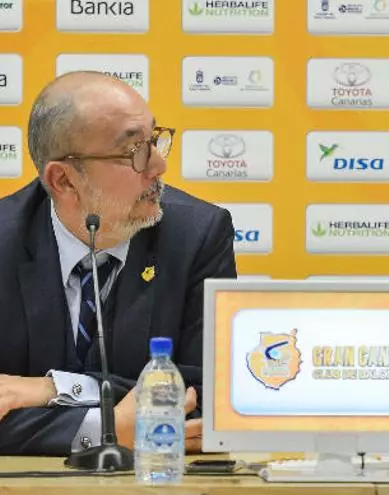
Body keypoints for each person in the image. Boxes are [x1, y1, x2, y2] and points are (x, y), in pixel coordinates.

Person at [0, 71, 237, 455]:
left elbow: (208, 396)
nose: (158, 164)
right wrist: (107, 429)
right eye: (133, 151)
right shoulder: (5, 240)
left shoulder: (197, 236)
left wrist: (54, 388)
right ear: (63, 180)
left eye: (154, 140)